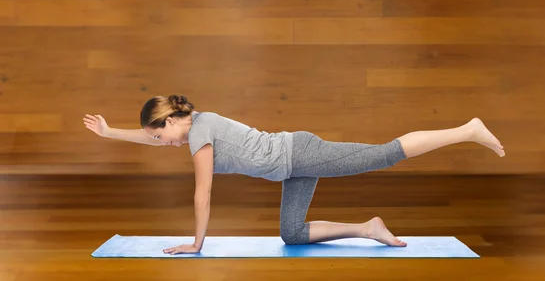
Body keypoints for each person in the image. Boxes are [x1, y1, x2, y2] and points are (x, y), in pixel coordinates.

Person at [83, 95, 505, 255]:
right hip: (289, 167)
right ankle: (369, 228)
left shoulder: (201, 135)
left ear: (175, 119)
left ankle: (466, 129)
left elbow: (203, 193)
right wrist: (109, 133)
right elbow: (152, 139)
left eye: (164, 136)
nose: (165, 144)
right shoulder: (192, 126)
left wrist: (197, 244)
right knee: (291, 233)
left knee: (383, 155)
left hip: (300, 154)